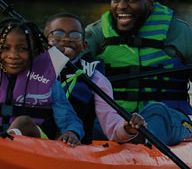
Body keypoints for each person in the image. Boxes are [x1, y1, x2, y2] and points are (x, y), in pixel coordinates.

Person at [83, 0, 192, 146]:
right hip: (113, 122)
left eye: (132, 0)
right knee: (83, 117)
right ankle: (126, 137)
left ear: (150, 2)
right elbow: (67, 67)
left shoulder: (180, 32)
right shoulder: (95, 34)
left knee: (156, 112)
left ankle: (139, 140)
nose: (121, 6)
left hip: (166, 119)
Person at [43, 12, 146, 144]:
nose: (66, 39)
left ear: (84, 46)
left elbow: (112, 128)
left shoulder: (95, 78)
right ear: (45, 43)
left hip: (75, 147)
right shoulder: (31, 69)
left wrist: (128, 128)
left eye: (75, 35)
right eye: (58, 34)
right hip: (35, 138)